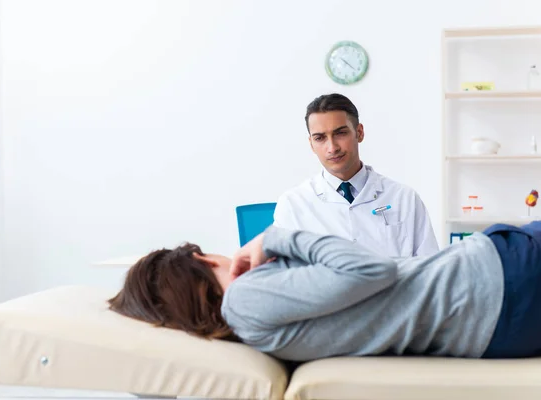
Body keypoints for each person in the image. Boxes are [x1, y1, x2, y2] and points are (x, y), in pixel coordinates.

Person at [108, 220, 541, 362]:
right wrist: (275, 236)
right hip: (501, 283)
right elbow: (370, 270)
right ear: (202, 261)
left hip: (498, 312)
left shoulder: (250, 321)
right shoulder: (245, 301)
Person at [274, 93, 438, 257]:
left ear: (359, 132)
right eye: (320, 138)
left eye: (340, 133)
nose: (332, 148)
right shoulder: (293, 205)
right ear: (311, 144)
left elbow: (431, 269)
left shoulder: (404, 198)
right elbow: (284, 276)